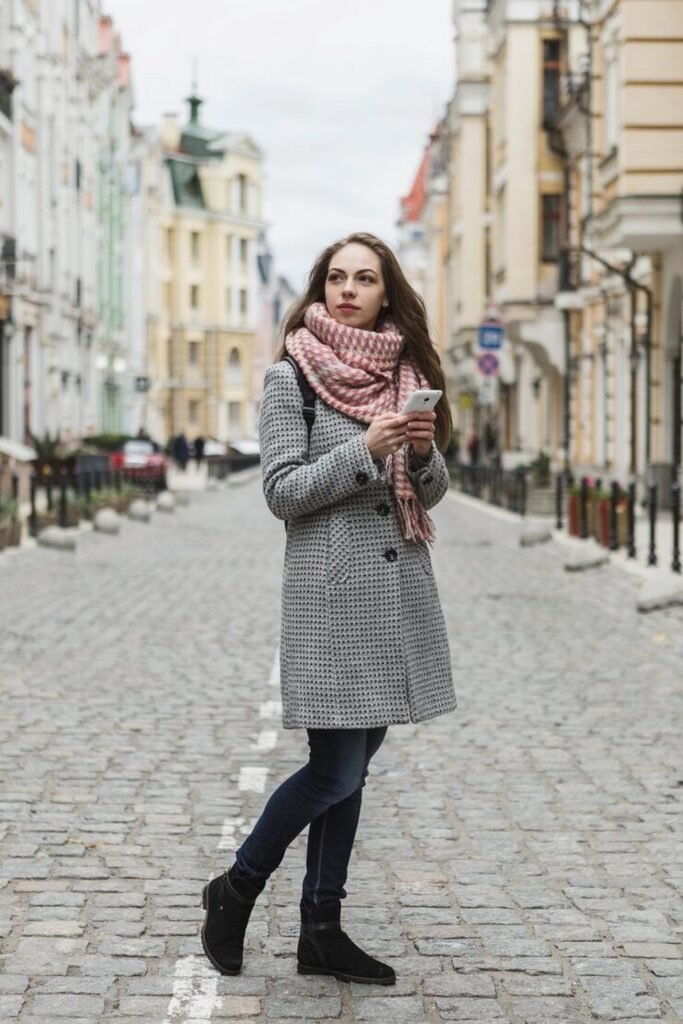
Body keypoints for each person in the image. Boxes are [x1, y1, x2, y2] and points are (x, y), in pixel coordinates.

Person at [200, 232, 457, 986]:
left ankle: (321, 928)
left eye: (365, 278)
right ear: (320, 287)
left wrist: (415, 452)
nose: (349, 289)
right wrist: (363, 451)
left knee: (352, 772)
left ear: (386, 293)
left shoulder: (404, 373)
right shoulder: (293, 379)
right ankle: (235, 888)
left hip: (397, 595)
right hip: (331, 599)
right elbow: (282, 492)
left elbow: (431, 494)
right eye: (337, 276)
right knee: (333, 770)